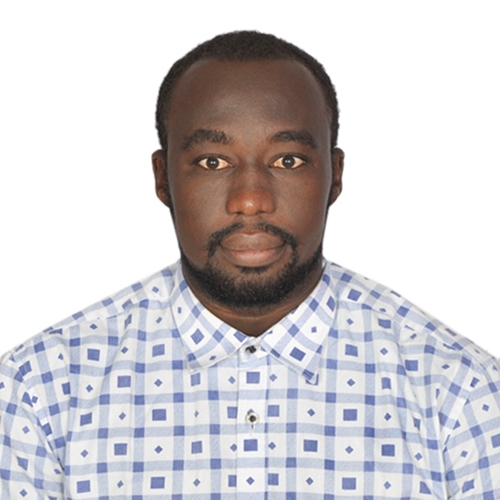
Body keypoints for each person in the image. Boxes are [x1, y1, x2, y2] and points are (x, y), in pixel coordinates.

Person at [1, 30, 499, 500]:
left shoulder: (460, 393)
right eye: (213, 162)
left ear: (335, 175)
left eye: (288, 160)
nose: (250, 200)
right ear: (162, 177)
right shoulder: (40, 392)